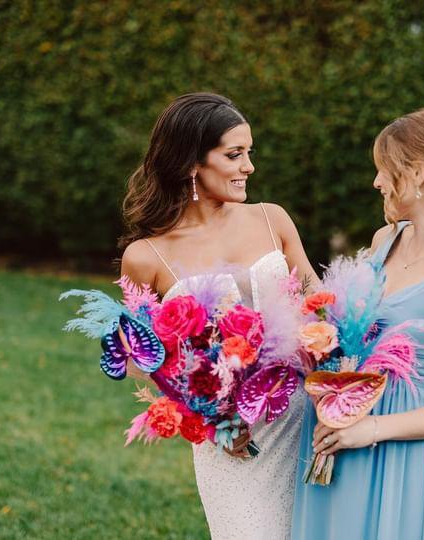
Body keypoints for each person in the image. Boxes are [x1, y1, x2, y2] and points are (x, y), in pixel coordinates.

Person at [292, 106, 424, 539]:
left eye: (384, 169)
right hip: (338, 435)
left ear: (418, 172)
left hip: (402, 457)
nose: (377, 182)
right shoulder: (385, 239)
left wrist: (371, 429)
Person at [119, 93, 317, 540]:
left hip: (305, 417)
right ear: (192, 162)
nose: (249, 166)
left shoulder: (272, 219)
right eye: (234, 154)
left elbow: (320, 305)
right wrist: (213, 416)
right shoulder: (146, 256)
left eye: (249, 152)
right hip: (232, 440)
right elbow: (144, 358)